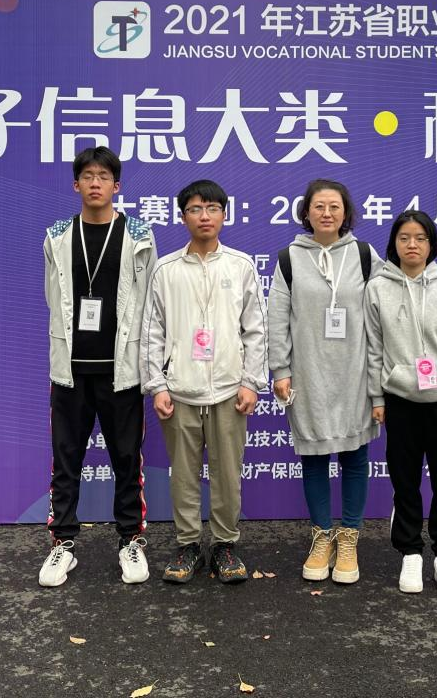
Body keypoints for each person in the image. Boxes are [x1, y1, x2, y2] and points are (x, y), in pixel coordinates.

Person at [39, 146, 158, 588]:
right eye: (87, 176)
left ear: (116, 186)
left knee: (126, 458)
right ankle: (63, 544)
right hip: (70, 369)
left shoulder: (139, 235)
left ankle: (131, 540)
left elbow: (149, 304)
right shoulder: (57, 236)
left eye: (103, 176)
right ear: (76, 185)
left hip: (120, 369)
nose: (95, 183)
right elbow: (53, 298)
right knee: (66, 458)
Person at [140, 179, 268, 584]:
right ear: (183, 217)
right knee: (183, 475)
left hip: (230, 390)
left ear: (224, 215)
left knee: (228, 474)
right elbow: (152, 332)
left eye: (213, 208)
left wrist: (251, 382)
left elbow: (256, 330)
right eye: (195, 209)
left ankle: (225, 545)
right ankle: (189, 545)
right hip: (180, 390)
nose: (205, 216)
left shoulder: (241, 266)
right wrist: (158, 385)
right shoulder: (166, 269)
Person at [267, 179, 382, 584]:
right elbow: (277, 319)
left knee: (354, 457)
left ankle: (348, 539)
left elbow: (394, 293)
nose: (327, 213)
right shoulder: (289, 259)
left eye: (334, 206)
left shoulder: (364, 255)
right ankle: (321, 538)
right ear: (306, 213)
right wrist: (280, 371)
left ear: (346, 212)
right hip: (308, 372)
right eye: (319, 206)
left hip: (354, 373)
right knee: (314, 457)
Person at [365, 209, 437, 598]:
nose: (412, 245)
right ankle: (411, 552)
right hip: (401, 401)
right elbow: (374, 349)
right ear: (393, 244)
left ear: (431, 245)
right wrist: (377, 397)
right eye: (404, 238)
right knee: (405, 482)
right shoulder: (377, 289)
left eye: (420, 238)